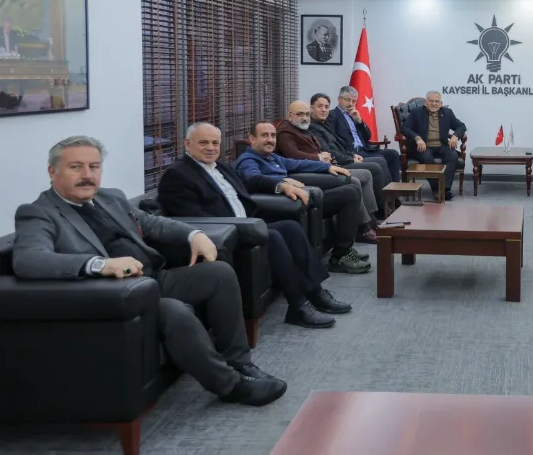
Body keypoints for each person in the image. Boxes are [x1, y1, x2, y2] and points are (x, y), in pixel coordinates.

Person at [12, 135, 287, 406]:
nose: (87, 175)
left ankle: (240, 363)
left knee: (219, 273)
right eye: (76, 167)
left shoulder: (111, 197)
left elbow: (153, 223)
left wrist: (194, 234)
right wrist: (99, 264)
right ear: (52, 172)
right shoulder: (38, 213)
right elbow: (29, 259)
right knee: (173, 310)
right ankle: (231, 386)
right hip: (119, 295)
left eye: (94, 167)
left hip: (155, 278)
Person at [157, 122, 352, 329]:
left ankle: (316, 293)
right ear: (188, 144)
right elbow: (194, 217)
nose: (211, 148)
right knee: (273, 236)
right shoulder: (177, 175)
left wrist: (281, 185)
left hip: (247, 223)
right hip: (224, 235)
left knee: (290, 228)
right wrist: (240, 226)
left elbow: (249, 180)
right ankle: (298, 306)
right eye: (203, 143)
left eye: (215, 143)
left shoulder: (219, 166)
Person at [234, 122, 372, 274]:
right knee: (349, 193)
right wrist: (281, 183)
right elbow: (253, 179)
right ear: (252, 139)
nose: (270, 140)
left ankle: (344, 250)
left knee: (350, 191)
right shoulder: (248, 160)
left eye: (273, 136)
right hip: (284, 207)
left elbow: (299, 164)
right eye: (264, 135)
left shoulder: (272, 157)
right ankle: (340, 257)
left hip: (303, 201)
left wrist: (327, 167)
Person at [276, 99, 381, 241]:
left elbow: (320, 148)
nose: (305, 118)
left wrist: (325, 156)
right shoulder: (285, 132)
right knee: (354, 180)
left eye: (306, 114)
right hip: (308, 173)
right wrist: (318, 157)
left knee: (366, 174)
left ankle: (371, 220)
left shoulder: (302, 128)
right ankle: (363, 228)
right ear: (290, 115)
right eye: (300, 114)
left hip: (323, 166)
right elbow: (292, 154)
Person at [308, 92, 391, 193]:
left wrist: (359, 121)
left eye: (326, 107)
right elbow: (330, 152)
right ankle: (386, 200)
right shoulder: (314, 126)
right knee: (376, 165)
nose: (324, 110)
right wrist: (351, 158)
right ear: (311, 108)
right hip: (337, 163)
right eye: (320, 106)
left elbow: (366, 137)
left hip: (352, 153)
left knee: (384, 158)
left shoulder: (325, 123)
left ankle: (391, 196)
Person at [402, 90, 467, 200]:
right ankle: (437, 188)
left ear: (441, 104)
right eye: (431, 101)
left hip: (442, 145)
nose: (434, 104)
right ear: (425, 103)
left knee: (453, 155)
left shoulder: (447, 113)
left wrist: (456, 136)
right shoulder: (416, 113)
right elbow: (405, 128)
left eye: (437, 101)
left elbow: (461, 126)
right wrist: (417, 138)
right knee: (426, 156)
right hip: (423, 146)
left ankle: (444, 189)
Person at [330, 85, 402, 181]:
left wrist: (359, 121)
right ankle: (388, 188)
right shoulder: (332, 115)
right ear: (339, 99)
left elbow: (368, 136)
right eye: (347, 100)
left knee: (393, 154)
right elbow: (333, 140)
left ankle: (395, 186)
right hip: (351, 153)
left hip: (365, 150)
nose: (351, 104)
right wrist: (349, 154)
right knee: (380, 159)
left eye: (354, 101)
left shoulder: (353, 115)